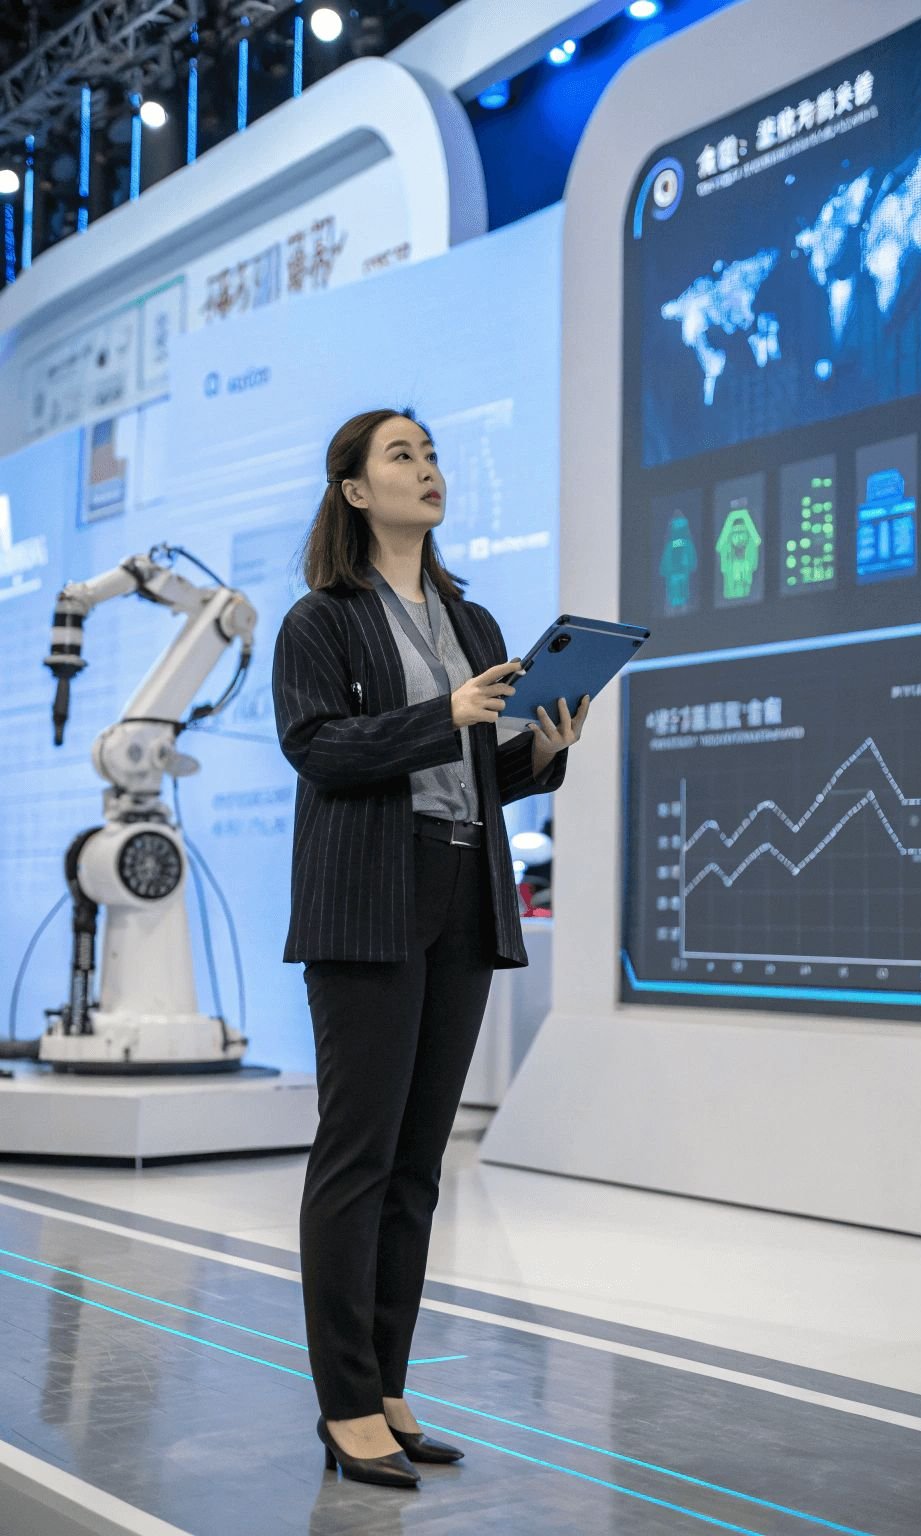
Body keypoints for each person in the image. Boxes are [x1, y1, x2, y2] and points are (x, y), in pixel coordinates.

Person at [272, 407, 588, 1490]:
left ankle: (390, 1385)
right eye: (403, 455)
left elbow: (479, 771)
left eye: (433, 453)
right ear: (355, 489)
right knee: (356, 1158)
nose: (428, 469)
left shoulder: (473, 615)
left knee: (418, 1165)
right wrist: (445, 713)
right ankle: (345, 1403)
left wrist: (539, 751)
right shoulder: (322, 620)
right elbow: (316, 750)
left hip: (460, 888)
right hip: (367, 896)